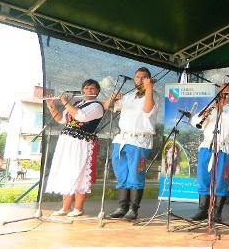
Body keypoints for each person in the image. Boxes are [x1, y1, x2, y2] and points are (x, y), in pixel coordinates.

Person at [45, 80, 104, 216]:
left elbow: (81, 116)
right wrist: (51, 106)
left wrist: (65, 102)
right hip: (67, 142)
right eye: (86, 88)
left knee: (79, 173)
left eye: (92, 88)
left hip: (82, 143)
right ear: (82, 90)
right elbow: (61, 120)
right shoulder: (77, 104)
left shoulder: (97, 106)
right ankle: (65, 208)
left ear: (97, 91)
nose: (89, 90)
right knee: (66, 172)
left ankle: (78, 208)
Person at [107, 67, 157, 220]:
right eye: (137, 77)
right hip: (122, 140)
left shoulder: (154, 95)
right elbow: (108, 107)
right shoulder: (128, 96)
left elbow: (147, 110)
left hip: (139, 141)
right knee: (122, 174)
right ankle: (122, 207)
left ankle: (133, 209)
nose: (139, 79)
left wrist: (149, 88)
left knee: (136, 175)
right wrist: (112, 98)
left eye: (143, 77)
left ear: (148, 79)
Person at [189, 84, 229, 222]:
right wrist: (204, 114)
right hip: (207, 147)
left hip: (224, 148)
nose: (223, 95)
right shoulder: (210, 106)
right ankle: (202, 210)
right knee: (203, 179)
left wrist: (222, 110)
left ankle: (217, 212)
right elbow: (195, 122)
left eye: (226, 92)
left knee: (221, 180)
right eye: (221, 92)